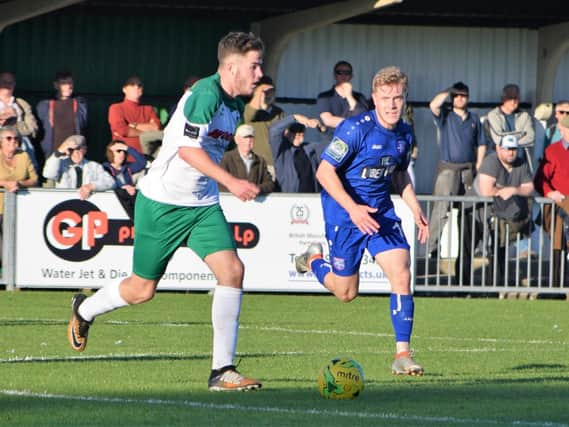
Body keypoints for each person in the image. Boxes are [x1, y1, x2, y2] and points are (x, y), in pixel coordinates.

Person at [67, 31, 265, 391]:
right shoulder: (205, 95)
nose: (259, 73)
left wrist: (220, 185)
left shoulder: (236, 103)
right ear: (232, 66)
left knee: (233, 271)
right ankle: (85, 310)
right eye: (254, 66)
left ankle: (222, 371)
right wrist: (233, 182)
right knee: (142, 290)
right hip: (162, 203)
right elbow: (189, 151)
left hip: (202, 206)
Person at [295, 66, 429, 375]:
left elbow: (398, 174)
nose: (393, 104)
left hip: (380, 213)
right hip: (345, 215)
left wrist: (414, 208)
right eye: (386, 98)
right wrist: (354, 208)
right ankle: (313, 258)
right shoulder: (356, 129)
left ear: (405, 98)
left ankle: (402, 354)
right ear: (374, 99)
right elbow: (324, 172)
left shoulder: (405, 132)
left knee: (401, 273)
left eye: (398, 98)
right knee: (346, 293)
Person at [427, 82, 487, 258]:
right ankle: (432, 247)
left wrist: (479, 165)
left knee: (471, 210)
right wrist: (448, 91)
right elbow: (433, 105)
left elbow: (482, 143)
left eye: (463, 95)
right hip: (448, 169)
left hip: (468, 170)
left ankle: (471, 248)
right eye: (457, 95)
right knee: (441, 207)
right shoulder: (445, 115)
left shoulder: (474, 119)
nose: (460, 98)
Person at [477, 135, 534, 284]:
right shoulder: (491, 161)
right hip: (477, 212)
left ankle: (497, 284)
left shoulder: (521, 163)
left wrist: (513, 190)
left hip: (505, 214)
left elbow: (529, 188)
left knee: (500, 249)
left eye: (514, 149)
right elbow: (486, 191)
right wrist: (510, 190)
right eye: (507, 149)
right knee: (474, 248)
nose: (511, 153)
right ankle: (467, 289)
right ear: (498, 148)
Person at [534, 114, 569, 287]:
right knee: (558, 245)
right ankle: (556, 287)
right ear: (561, 130)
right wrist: (550, 193)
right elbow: (540, 179)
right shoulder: (552, 151)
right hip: (560, 206)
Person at [0, 126, 38, 262]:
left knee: (13, 245)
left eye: (16, 138)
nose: (13, 141)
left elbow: (34, 179)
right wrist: (5, 183)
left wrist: (19, 183)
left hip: (17, 207)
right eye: (8, 138)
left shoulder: (24, 155)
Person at [36, 71, 88, 161]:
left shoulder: (80, 104)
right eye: (64, 83)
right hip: (52, 153)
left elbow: (84, 126)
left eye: (70, 83)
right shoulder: (44, 105)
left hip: (74, 153)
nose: (68, 86)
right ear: (56, 85)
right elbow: (39, 130)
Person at [42, 134, 114, 199]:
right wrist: (59, 152)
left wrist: (91, 186)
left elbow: (111, 182)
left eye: (79, 149)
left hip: (87, 203)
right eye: (71, 150)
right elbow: (48, 174)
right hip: (64, 204)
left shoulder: (94, 166)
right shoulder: (60, 163)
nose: (75, 152)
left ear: (85, 150)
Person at [108, 75, 162, 158]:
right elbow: (122, 130)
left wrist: (134, 126)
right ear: (124, 89)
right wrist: (147, 133)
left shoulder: (148, 109)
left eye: (139, 85)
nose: (136, 87)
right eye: (132, 85)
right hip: (125, 160)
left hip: (147, 158)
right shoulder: (116, 108)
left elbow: (156, 128)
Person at [243, 75, 286, 179]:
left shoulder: (279, 112)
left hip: (277, 163)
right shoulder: (247, 109)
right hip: (256, 164)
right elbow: (248, 116)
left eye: (271, 91)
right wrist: (259, 95)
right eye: (264, 91)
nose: (267, 94)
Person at [316, 61, 369, 141]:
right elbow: (328, 120)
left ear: (351, 76)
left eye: (347, 72)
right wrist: (355, 123)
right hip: (331, 142)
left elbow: (363, 118)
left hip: (355, 141)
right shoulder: (324, 97)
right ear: (334, 75)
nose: (343, 75)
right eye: (339, 72)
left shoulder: (360, 97)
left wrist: (349, 96)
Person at [269, 115, 323, 193]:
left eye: (301, 133)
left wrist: (322, 127)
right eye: (294, 132)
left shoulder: (310, 148)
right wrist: (295, 117)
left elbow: (332, 146)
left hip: (311, 198)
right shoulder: (282, 151)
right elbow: (274, 131)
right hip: (289, 198)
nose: (298, 136)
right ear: (287, 133)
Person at [0, 72, 39, 175]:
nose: (7, 85)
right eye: (4, 82)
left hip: (20, 144)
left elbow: (33, 129)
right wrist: (2, 119)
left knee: (28, 150)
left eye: (10, 82)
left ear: (14, 84)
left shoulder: (21, 104)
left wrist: (16, 122)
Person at [219, 124, 274, 196]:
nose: (248, 140)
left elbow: (270, 184)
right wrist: (238, 190)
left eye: (251, 137)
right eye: (245, 137)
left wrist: (257, 189)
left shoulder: (260, 161)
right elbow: (219, 183)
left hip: (255, 203)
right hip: (231, 203)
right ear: (236, 139)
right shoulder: (226, 158)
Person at [485, 84, 535, 165]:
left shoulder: (525, 116)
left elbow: (531, 138)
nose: (513, 102)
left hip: (520, 163)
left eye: (515, 98)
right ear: (503, 99)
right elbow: (498, 138)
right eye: (510, 98)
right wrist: (522, 134)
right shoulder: (493, 115)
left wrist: (508, 140)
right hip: (498, 162)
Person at [102, 140, 147, 221]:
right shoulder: (105, 168)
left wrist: (127, 148)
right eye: (118, 151)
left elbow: (143, 162)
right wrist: (123, 187)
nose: (122, 154)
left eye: (124, 151)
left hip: (129, 205)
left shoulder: (128, 167)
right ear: (110, 152)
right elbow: (107, 183)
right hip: (113, 204)